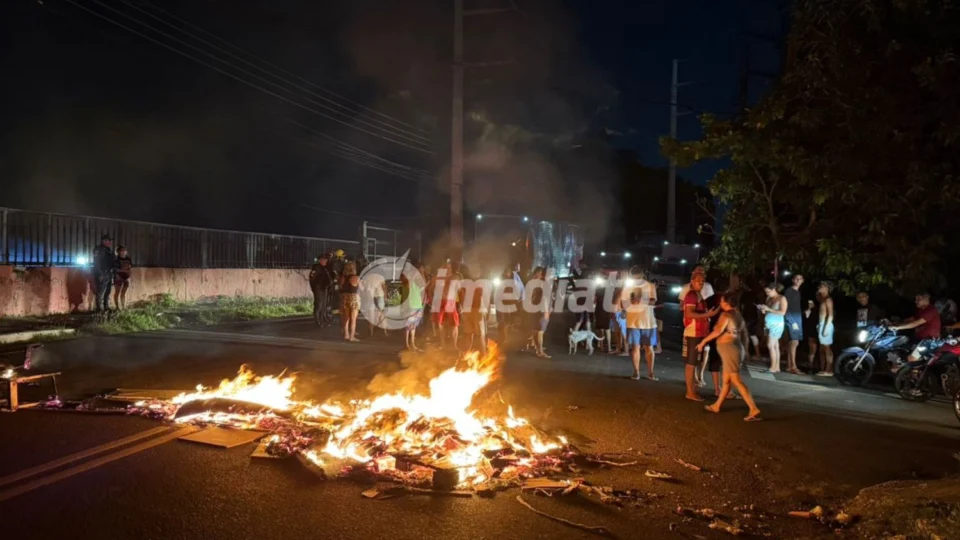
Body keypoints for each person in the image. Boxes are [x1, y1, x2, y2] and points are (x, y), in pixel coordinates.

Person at [698, 291, 762, 421]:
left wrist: (703, 341)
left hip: (730, 350)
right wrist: (746, 350)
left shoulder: (726, 315)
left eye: (722, 301)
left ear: (727, 303)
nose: (720, 303)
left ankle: (753, 408)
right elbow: (744, 334)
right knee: (726, 380)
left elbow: (718, 331)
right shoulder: (738, 314)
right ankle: (717, 406)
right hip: (735, 348)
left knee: (736, 380)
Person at [682, 271, 719, 401]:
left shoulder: (697, 295)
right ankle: (690, 392)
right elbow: (689, 314)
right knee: (691, 363)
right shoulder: (692, 295)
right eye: (698, 280)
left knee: (694, 363)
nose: (701, 283)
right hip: (693, 333)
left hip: (698, 333)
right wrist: (708, 315)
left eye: (702, 281)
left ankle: (692, 390)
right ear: (692, 281)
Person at [625, 268, 658, 381]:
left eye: (638, 277)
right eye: (634, 277)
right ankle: (636, 372)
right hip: (633, 321)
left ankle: (651, 372)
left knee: (649, 347)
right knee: (635, 347)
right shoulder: (628, 287)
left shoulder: (650, 286)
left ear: (643, 275)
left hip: (648, 322)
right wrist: (631, 301)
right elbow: (624, 302)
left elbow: (653, 301)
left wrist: (641, 300)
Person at [890, 292, 942, 362]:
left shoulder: (930, 310)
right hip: (919, 338)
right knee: (901, 349)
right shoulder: (921, 309)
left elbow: (915, 323)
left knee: (911, 358)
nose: (915, 301)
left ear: (926, 300)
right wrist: (898, 323)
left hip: (928, 340)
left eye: (918, 300)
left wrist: (898, 327)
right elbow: (913, 319)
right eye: (915, 299)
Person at [431, 262, 461, 349]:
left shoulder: (455, 278)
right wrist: (432, 300)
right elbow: (430, 289)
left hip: (451, 302)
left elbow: (460, 291)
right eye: (446, 268)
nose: (448, 270)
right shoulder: (437, 278)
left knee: (454, 324)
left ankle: (454, 345)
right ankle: (443, 344)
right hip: (440, 302)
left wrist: (460, 304)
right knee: (440, 324)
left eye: (449, 268)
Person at [759, 282, 787, 373]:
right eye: (765, 292)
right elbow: (767, 311)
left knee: (770, 345)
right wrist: (763, 310)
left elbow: (783, 312)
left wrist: (769, 309)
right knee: (775, 345)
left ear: (774, 289)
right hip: (768, 324)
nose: (767, 293)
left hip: (776, 325)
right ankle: (777, 367)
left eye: (768, 291)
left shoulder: (782, 298)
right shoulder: (768, 298)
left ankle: (772, 368)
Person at [527, 266, 552, 358]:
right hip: (541, 309)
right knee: (540, 331)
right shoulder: (544, 283)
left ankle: (538, 350)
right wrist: (546, 311)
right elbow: (544, 297)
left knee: (535, 329)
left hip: (534, 308)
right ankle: (540, 351)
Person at [783, 274, 804, 374]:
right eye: (796, 278)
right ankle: (793, 367)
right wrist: (792, 321)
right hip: (792, 320)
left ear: (802, 281)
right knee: (794, 342)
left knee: (793, 342)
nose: (798, 280)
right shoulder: (789, 291)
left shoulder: (798, 292)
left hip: (797, 319)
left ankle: (789, 365)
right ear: (793, 280)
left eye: (800, 279)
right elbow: (786, 307)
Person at [814, 282, 835, 376]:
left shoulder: (828, 299)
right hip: (822, 324)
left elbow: (830, 315)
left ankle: (829, 370)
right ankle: (824, 369)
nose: (819, 287)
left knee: (827, 348)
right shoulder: (823, 299)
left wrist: (826, 328)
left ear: (827, 288)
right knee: (823, 348)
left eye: (821, 286)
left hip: (826, 325)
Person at [401, 269, 425, 351]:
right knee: (408, 326)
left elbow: (423, 284)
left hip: (417, 306)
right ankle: (407, 344)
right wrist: (416, 273)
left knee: (413, 326)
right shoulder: (406, 284)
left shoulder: (415, 283)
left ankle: (412, 344)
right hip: (411, 307)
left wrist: (422, 273)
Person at [92, 234, 116, 313]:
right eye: (109, 241)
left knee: (108, 291)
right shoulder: (99, 250)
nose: (110, 242)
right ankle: (99, 308)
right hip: (102, 273)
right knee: (101, 291)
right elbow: (97, 263)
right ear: (104, 241)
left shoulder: (108, 250)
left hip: (109, 273)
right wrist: (99, 274)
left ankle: (106, 307)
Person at [309, 253, 334, 326]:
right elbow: (312, 278)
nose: (326, 261)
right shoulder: (316, 267)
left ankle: (322, 319)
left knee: (323, 304)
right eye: (324, 260)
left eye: (326, 260)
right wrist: (315, 287)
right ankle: (317, 320)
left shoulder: (325, 268)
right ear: (320, 260)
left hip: (325, 288)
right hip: (319, 288)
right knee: (319, 304)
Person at [340, 265, 361, 342]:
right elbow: (362, 288)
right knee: (353, 319)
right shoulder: (356, 278)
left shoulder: (343, 278)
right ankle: (352, 336)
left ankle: (346, 335)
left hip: (345, 298)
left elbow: (341, 287)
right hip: (354, 298)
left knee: (346, 318)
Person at [113, 245, 133, 310]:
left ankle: (123, 307)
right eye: (122, 250)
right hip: (118, 277)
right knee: (117, 292)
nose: (124, 251)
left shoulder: (128, 259)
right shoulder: (116, 259)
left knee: (123, 293)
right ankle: (117, 307)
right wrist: (125, 270)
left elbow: (130, 267)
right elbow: (116, 269)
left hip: (126, 277)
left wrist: (129, 273)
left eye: (125, 250)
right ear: (118, 252)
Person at [804, 298, 819, 372]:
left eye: (811, 303)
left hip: (818, 330)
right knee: (812, 349)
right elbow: (806, 316)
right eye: (808, 303)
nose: (810, 304)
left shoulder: (818, 310)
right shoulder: (808, 311)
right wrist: (809, 309)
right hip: (811, 331)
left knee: (817, 349)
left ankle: (815, 365)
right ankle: (811, 365)